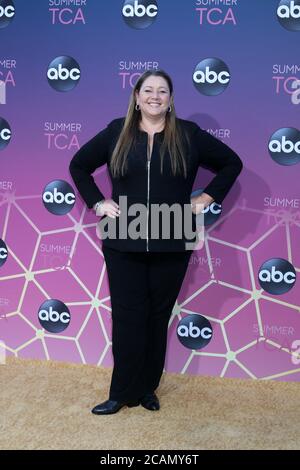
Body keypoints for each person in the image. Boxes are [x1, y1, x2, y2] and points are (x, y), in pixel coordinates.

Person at [69, 69, 243, 415]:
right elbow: (78, 166)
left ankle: (148, 388)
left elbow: (231, 163)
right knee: (127, 317)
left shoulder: (189, 135)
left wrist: (205, 199)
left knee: (156, 316)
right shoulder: (116, 131)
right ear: (136, 97)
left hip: (173, 236)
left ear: (171, 100)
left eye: (162, 91)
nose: (155, 96)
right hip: (124, 238)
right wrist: (98, 202)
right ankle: (120, 392)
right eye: (148, 90)